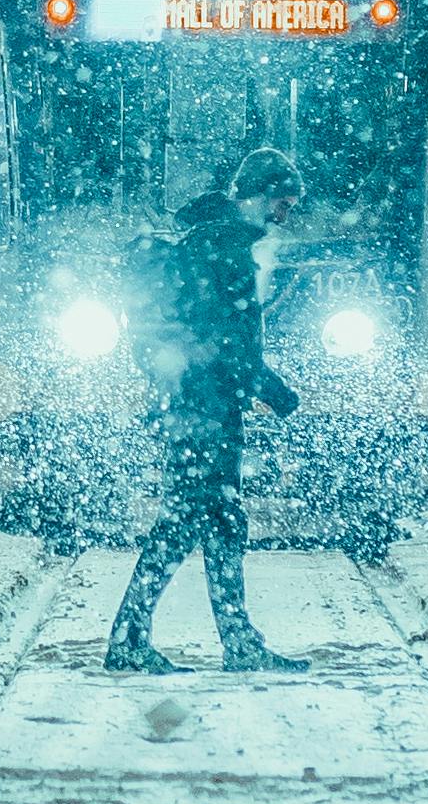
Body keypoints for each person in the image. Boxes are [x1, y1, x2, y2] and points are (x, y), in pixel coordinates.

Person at [104, 148, 309, 676]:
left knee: (219, 522)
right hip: (206, 407)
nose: (283, 216)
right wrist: (276, 391)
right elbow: (230, 343)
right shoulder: (224, 247)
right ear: (259, 194)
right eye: (282, 203)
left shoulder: (208, 238)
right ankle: (131, 638)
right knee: (186, 522)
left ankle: (235, 641)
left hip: (196, 402)